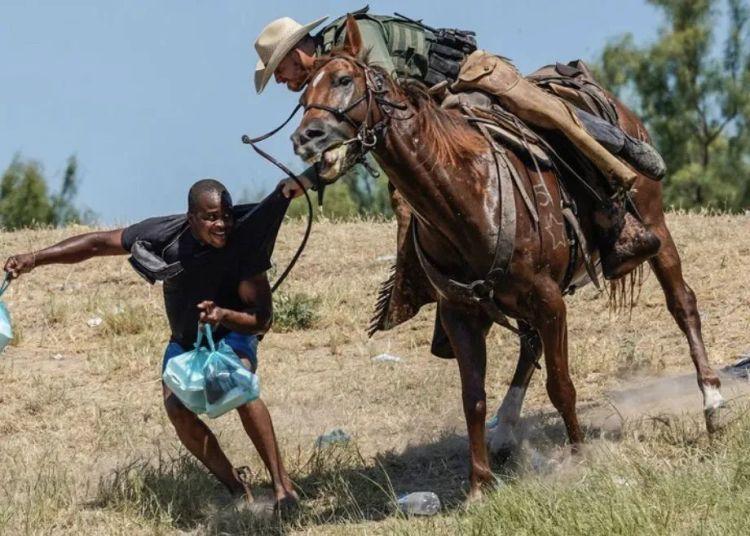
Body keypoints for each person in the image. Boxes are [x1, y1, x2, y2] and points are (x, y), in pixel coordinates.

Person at [258, 8, 665, 279]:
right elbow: (366, 131)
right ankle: (437, 286)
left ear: (298, 52)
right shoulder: (327, 82)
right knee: (409, 199)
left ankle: (616, 197)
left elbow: (387, 98)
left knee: (544, 119)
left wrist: (323, 167)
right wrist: (312, 176)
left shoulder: (356, 36)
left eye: (279, 69)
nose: (280, 80)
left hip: (465, 80)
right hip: (431, 114)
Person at [3, 179, 298, 510]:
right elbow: (98, 243)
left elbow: (263, 320)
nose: (222, 225)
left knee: (238, 386)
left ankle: (282, 487)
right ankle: (235, 488)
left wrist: (223, 314)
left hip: (232, 332)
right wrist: (35, 258)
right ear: (192, 219)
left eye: (227, 216)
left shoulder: (243, 246)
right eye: (212, 217)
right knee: (176, 409)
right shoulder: (164, 234)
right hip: (185, 341)